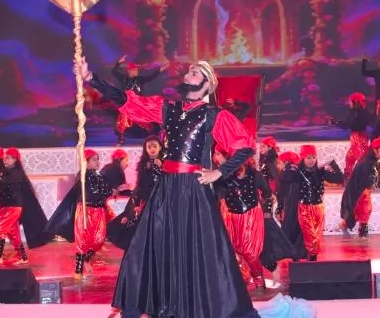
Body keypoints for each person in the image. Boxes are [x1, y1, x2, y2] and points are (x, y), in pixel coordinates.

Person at [81, 58, 260, 318]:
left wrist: (218, 172)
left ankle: (200, 307)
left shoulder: (214, 115)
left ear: (208, 84)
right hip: (165, 189)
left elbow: (245, 146)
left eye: (195, 73)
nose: (189, 74)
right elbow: (129, 101)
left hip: (193, 191)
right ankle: (144, 305)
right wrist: (92, 79)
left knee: (200, 251)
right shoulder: (169, 108)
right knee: (146, 245)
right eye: (189, 71)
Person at [46, 149, 115, 278]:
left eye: (98, 159)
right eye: (94, 159)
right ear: (86, 162)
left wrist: (112, 191)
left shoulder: (100, 177)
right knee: (83, 240)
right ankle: (78, 270)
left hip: (98, 211)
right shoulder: (83, 176)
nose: (97, 162)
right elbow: (85, 191)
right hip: (85, 211)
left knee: (98, 239)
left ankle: (86, 259)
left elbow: (106, 192)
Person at [215, 149, 274, 292]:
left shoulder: (256, 175)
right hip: (231, 216)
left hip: (251, 215)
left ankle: (259, 283)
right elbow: (216, 195)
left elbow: (267, 193)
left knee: (249, 251)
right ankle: (241, 281)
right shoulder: (223, 176)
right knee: (234, 249)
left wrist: (266, 209)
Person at [0, 148, 47, 264]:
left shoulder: (16, 173)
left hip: (13, 207)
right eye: (4, 158)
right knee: (13, 233)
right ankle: (22, 257)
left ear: (15, 160)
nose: (5, 160)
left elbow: (3, 182)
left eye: (8, 158)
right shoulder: (7, 172)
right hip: (7, 206)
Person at [107, 135, 164, 251]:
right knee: (137, 223)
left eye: (154, 146)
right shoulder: (143, 164)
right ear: (146, 149)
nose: (152, 149)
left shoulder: (165, 163)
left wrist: (161, 167)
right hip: (145, 198)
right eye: (149, 147)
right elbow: (141, 183)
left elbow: (167, 180)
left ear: (160, 147)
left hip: (161, 198)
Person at [287, 145, 343, 258]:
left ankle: (312, 258)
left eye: (313, 157)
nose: (311, 160)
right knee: (310, 235)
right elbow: (284, 179)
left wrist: (334, 165)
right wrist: (288, 168)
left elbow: (339, 178)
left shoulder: (320, 172)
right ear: (303, 158)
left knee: (316, 236)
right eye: (308, 158)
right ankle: (312, 258)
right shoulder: (298, 172)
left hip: (318, 208)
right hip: (304, 208)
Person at [341, 138, 380, 238]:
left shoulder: (376, 160)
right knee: (365, 209)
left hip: (364, 190)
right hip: (359, 190)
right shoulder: (367, 163)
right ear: (375, 150)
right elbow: (365, 180)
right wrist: (372, 184)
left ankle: (354, 228)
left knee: (363, 210)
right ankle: (360, 232)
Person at [111, 56, 165, 145]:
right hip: (127, 105)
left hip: (138, 104)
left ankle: (152, 138)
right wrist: (119, 62)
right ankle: (121, 139)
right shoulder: (123, 78)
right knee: (122, 122)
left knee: (146, 122)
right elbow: (114, 72)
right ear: (129, 71)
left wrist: (159, 71)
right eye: (133, 70)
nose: (135, 72)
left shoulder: (140, 79)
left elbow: (151, 77)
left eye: (136, 70)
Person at [334, 92, 374, 177]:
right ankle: (348, 178)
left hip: (358, 138)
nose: (349, 103)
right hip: (359, 137)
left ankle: (364, 178)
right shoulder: (362, 112)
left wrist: (337, 123)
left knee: (361, 159)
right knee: (350, 158)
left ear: (355, 102)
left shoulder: (356, 113)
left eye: (350, 101)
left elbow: (347, 124)